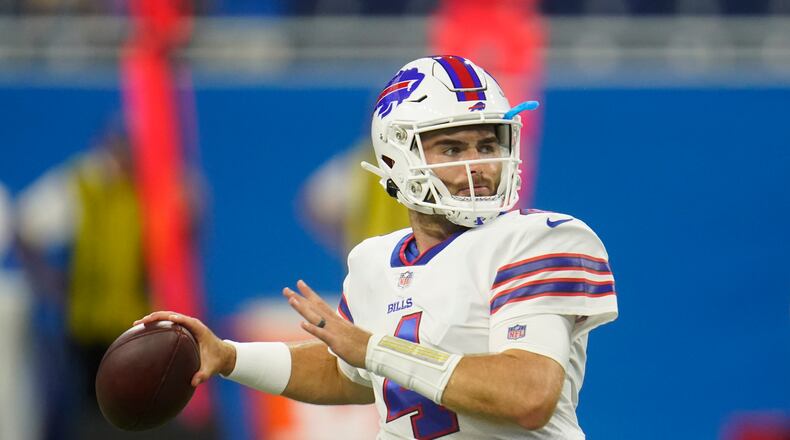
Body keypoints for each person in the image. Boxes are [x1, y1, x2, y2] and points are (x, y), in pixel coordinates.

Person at [136, 55, 618, 439]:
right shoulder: (373, 261)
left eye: (487, 145)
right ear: (395, 157)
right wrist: (230, 357)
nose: (480, 165)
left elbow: (527, 393)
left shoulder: (539, 239)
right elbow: (349, 373)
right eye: (452, 149)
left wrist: (373, 348)